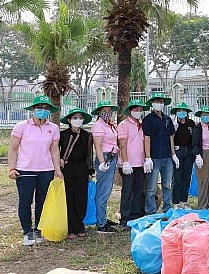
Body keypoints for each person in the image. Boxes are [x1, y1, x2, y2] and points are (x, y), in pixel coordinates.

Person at [7, 95, 63, 246]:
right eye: (39, 108)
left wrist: (57, 169)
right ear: (33, 109)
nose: (42, 111)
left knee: (42, 202)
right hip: (25, 171)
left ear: (49, 111)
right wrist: (12, 168)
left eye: (45, 108)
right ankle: (27, 231)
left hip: (46, 170)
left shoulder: (53, 128)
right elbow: (12, 149)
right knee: (25, 202)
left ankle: (38, 229)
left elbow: (54, 150)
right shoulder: (21, 126)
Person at [59, 108, 94, 239]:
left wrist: (90, 171)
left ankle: (79, 225)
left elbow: (89, 155)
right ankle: (70, 227)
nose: (78, 120)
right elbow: (57, 151)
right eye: (75, 117)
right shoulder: (63, 135)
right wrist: (59, 163)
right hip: (67, 168)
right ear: (69, 120)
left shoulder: (87, 135)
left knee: (80, 197)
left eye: (80, 118)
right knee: (69, 197)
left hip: (82, 168)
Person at [143, 92, 177, 214]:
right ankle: (150, 211)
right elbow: (146, 138)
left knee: (167, 185)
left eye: (161, 101)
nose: (159, 104)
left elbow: (171, 137)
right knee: (151, 188)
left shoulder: (167, 119)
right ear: (152, 103)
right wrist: (147, 157)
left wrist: (173, 154)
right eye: (157, 101)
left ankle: (167, 209)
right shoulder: (147, 119)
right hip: (154, 157)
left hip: (167, 156)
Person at [117, 99, 150, 226]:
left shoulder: (142, 124)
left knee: (138, 190)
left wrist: (147, 158)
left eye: (140, 110)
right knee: (128, 190)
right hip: (128, 164)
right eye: (136, 110)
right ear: (130, 111)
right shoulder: (124, 125)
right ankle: (125, 218)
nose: (138, 112)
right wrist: (125, 162)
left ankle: (136, 215)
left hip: (140, 163)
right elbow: (122, 144)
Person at [90, 99, 120, 234]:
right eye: (104, 111)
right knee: (103, 191)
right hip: (105, 158)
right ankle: (101, 224)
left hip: (112, 157)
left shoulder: (109, 125)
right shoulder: (99, 126)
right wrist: (102, 162)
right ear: (99, 113)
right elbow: (98, 146)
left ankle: (102, 217)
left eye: (109, 111)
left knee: (106, 191)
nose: (107, 113)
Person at [170, 102, 196, 208]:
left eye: (183, 111)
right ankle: (176, 202)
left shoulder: (191, 123)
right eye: (179, 111)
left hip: (189, 152)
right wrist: (173, 154)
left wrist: (195, 153)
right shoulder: (173, 124)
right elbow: (171, 138)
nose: (181, 113)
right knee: (177, 177)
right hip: (178, 151)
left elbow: (194, 138)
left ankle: (183, 201)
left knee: (186, 177)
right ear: (176, 113)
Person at [193, 106, 209, 208]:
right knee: (203, 179)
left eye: (207, 115)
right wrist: (197, 155)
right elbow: (194, 143)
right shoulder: (198, 128)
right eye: (203, 115)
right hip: (203, 153)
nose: (205, 117)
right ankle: (202, 204)